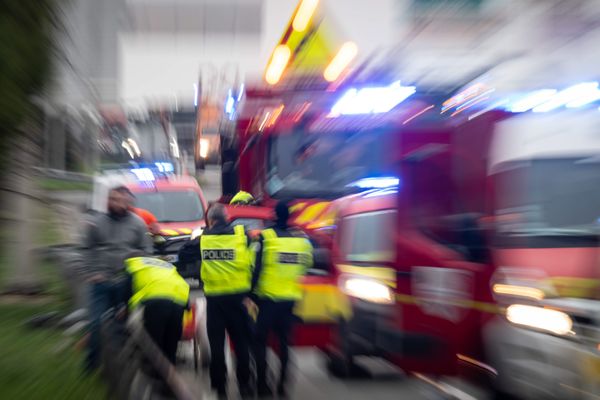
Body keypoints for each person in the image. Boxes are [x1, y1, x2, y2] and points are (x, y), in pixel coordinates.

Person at [178, 203, 253, 399]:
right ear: (227, 217)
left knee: (217, 345)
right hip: (238, 299)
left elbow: (183, 255)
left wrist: (202, 234)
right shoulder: (241, 235)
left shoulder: (204, 239)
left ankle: (220, 387)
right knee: (241, 343)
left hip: (215, 301)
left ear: (210, 220)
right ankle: (245, 386)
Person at [79, 185, 153, 371]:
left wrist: (135, 259)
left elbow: (147, 252)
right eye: (112, 199)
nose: (116, 203)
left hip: (125, 282)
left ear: (129, 202)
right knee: (96, 322)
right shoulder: (97, 222)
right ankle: (91, 365)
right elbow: (86, 249)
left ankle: (120, 367)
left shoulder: (138, 224)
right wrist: (90, 272)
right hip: (101, 281)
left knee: (121, 326)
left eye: (121, 200)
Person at [251, 200, 314, 397]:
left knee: (259, 342)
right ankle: (282, 387)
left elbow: (256, 268)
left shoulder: (266, 237)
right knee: (285, 345)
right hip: (289, 301)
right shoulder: (302, 242)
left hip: (267, 300)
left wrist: (251, 294)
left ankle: (262, 386)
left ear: (274, 216)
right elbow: (306, 266)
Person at [122, 252, 190, 364]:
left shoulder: (134, 265)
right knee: (171, 342)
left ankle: (156, 373)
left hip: (156, 303)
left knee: (155, 343)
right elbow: (178, 282)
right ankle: (170, 368)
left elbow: (126, 291)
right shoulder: (165, 265)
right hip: (179, 302)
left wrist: (126, 309)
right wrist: (186, 306)